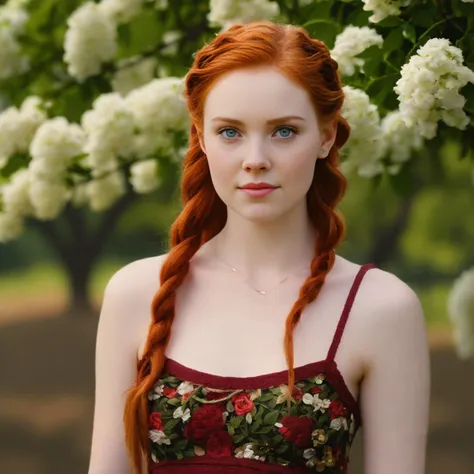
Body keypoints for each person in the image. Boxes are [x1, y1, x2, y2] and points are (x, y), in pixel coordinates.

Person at [88, 20, 430, 474]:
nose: (255, 159)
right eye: (230, 132)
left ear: (326, 136)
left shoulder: (381, 308)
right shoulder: (137, 293)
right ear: (202, 137)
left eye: (283, 131)